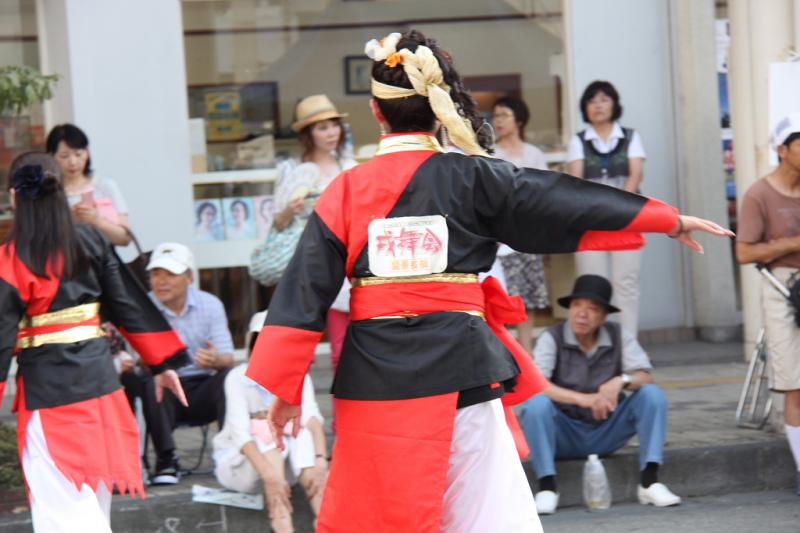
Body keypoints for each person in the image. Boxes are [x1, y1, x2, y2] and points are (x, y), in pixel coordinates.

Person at [245, 30, 731, 533]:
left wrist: (286, 390)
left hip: (375, 374)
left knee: (380, 513)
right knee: (486, 514)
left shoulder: (345, 190)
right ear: (438, 109)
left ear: (375, 110)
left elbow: (304, 289)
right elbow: (562, 199)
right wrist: (661, 217)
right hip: (461, 362)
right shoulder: (473, 176)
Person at [0, 152, 188, 532]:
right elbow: (127, 305)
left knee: (64, 514)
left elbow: (1, 340)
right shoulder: (90, 240)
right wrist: (162, 363)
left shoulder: (11, 258)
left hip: (51, 397)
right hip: (102, 390)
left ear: (15, 198)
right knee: (92, 506)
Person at [519, 274, 680, 515]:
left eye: (592, 308)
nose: (582, 314)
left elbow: (646, 375)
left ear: (604, 316)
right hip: (565, 435)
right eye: (576, 306)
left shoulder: (617, 334)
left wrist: (621, 380)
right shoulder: (552, 337)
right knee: (535, 404)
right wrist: (582, 398)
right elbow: (538, 384)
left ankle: (649, 481)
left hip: (607, 431)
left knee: (651, 395)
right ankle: (547, 487)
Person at [120, 242, 235, 485]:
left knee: (232, 377)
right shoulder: (142, 308)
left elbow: (228, 356)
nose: (162, 281)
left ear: (188, 278)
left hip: (202, 385)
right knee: (152, 381)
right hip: (165, 390)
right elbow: (136, 364)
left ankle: (230, 453)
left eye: (170, 274)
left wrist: (215, 360)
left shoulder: (210, 304)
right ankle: (166, 459)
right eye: (155, 274)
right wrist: (154, 361)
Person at [213, 311, 328, 533]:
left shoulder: (299, 375)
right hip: (242, 467)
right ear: (252, 345)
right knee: (267, 432)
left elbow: (312, 419)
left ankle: (325, 522)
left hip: (288, 469)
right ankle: (281, 523)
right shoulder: (237, 377)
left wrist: (321, 460)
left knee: (301, 433)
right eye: (262, 342)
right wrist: (270, 477)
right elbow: (240, 436)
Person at [736, 113, 800, 495]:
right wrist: (793, 244)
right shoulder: (759, 194)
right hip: (781, 289)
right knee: (795, 384)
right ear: (782, 149)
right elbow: (743, 252)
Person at [269, 94, 356, 371]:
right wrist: (291, 209)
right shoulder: (292, 170)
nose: (331, 133)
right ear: (307, 134)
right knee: (302, 343)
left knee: (346, 346)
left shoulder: (349, 166)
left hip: (347, 258)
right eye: (322, 127)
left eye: (334, 125)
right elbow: (277, 223)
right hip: (309, 262)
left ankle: (346, 414)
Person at [566, 81, 647, 334]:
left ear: (614, 104)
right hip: (590, 222)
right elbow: (577, 181)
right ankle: (596, 343)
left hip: (627, 219)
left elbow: (636, 175)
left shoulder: (631, 137)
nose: (598, 105)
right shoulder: (578, 141)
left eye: (604, 99)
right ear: (585, 107)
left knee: (627, 283)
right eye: (592, 100)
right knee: (593, 285)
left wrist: (617, 207)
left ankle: (628, 343)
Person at [492, 95, 550, 353]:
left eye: (504, 115)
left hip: (529, 234)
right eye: (496, 116)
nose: (498, 121)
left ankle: (528, 354)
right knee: (506, 296)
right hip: (502, 237)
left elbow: (546, 192)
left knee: (528, 297)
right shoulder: (491, 153)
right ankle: (509, 354)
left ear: (519, 119)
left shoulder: (535, 154)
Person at [46, 123, 132, 246]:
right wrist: (71, 219)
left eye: (78, 154)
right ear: (51, 156)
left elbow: (125, 238)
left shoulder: (105, 186)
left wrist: (96, 220)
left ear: (87, 152)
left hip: (102, 264)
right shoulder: (49, 192)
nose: (73, 162)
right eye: (64, 156)